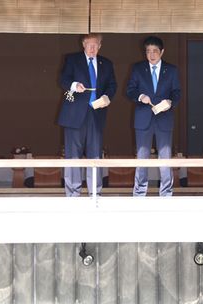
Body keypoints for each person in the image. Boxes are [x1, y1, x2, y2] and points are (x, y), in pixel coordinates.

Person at [58, 33, 117, 196]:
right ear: (83, 44)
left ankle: (95, 193)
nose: (92, 48)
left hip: (96, 113)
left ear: (100, 46)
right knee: (72, 155)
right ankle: (73, 193)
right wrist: (74, 85)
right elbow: (63, 79)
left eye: (95, 45)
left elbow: (112, 85)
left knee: (95, 154)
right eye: (89, 44)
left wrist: (107, 96)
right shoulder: (72, 59)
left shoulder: (106, 63)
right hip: (75, 113)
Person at [127, 36, 181, 196]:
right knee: (142, 158)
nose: (151, 55)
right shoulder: (137, 68)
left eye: (155, 51)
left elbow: (177, 92)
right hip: (143, 118)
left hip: (164, 118)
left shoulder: (171, 70)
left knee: (165, 158)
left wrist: (170, 102)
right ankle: (139, 193)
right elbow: (130, 90)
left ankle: (166, 193)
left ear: (162, 52)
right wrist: (140, 96)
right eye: (148, 51)